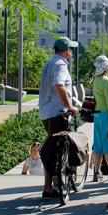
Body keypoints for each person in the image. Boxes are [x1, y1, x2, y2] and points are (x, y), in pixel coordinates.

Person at [38, 36, 78, 199]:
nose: (72, 53)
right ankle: (50, 187)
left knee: (52, 149)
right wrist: (70, 107)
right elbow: (59, 86)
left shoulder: (49, 63)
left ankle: (49, 186)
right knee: (55, 151)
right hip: (57, 113)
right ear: (66, 51)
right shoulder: (60, 65)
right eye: (71, 50)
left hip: (46, 112)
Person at [91, 55, 108, 183]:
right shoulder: (107, 82)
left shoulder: (95, 80)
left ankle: (96, 172)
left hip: (97, 114)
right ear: (106, 68)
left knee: (98, 145)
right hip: (107, 114)